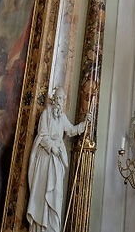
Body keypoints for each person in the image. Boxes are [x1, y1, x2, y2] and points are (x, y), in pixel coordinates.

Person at [25, 88, 88, 232]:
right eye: (58, 98)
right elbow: (42, 134)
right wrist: (51, 146)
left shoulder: (62, 117)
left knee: (56, 193)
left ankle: (52, 228)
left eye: (62, 99)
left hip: (57, 159)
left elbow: (71, 130)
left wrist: (85, 123)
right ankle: (39, 227)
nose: (60, 102)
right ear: (53, 99)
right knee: (43, 192)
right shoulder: (46, 114)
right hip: (46, 157)